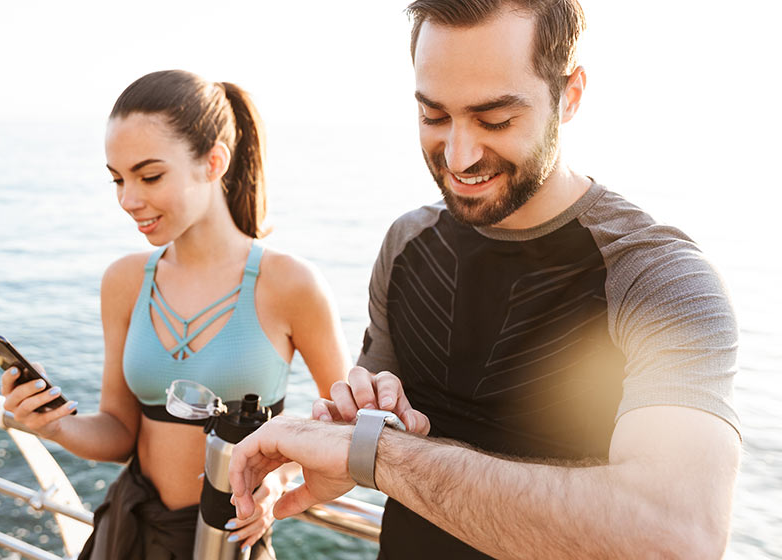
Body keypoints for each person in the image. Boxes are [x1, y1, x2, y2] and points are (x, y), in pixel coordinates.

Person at [229, 1, 741, 558]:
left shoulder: (660, 279)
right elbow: (367, 420)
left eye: (495, 119)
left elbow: (678, 536)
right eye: (433, 116)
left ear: (569, 96)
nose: (459, 156)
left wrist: (377, 455)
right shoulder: (407, 244)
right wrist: (341, 442)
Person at [1, 69, 351, 559]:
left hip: (227, 541)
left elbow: (342, 430)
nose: (128, 200)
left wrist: (280, 481)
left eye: (149, 176)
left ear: (214, 162)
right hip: (129, 535)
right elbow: (121, 432)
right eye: (118, 180)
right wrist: (54, 425)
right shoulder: (124, 282)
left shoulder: (291, 283)